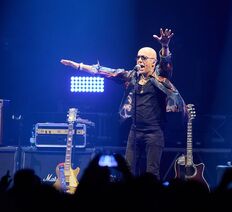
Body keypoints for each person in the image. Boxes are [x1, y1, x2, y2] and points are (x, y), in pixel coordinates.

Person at [61, 28, 186, 180]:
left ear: (153, 63)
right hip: (135, 131)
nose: (140, 60)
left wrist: (165, 46)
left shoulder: (160, 77)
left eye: (144, 58)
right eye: (138, 57)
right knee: (128, 171)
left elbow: (166, 63)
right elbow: (106, 71)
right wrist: (79, 66)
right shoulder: (131, 77)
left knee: (152, 173)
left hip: (154, 133)